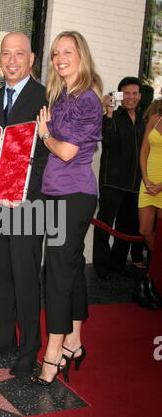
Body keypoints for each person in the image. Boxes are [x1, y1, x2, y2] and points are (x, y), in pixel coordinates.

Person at [0, 32, 49, 377]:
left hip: (27, 207)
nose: (12, 60)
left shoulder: (46, 98)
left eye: (19, 54)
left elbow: (50, 157)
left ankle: (29, 348)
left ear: (31, 59)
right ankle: (5, 336)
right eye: (6, 54)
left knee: (25, 278)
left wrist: (22, 194)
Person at [31, 30, 103, 386]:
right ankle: (74, 342)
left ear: (81, 55)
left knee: (56, 275)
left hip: (73, 195)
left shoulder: (86, 99)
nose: (60, 58)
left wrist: (45, 134)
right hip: (57, 192)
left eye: (67, 52)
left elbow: (66, 151)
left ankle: (53, 354)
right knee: (70, 269)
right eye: (56, 53)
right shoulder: (61, 97)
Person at [92, 77, 145, 279]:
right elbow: (106, 139)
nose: (131, 97)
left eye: (135, 93)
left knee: (127, 226)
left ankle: (117, 263)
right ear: (121, 95)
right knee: (105, 224)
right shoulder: (113, 116)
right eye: (127, 93)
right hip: (112, 182)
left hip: (134, 184)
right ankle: (101, 266)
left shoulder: (142, 121)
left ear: (139, 96)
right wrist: (109, 112)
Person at [133, 98, 162, 308]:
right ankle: (157, 269)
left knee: (160, 233)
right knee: (144, 229)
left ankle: (155, 278)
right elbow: (144, 150)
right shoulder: (154, 118)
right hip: (148, 181)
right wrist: (145, 178)